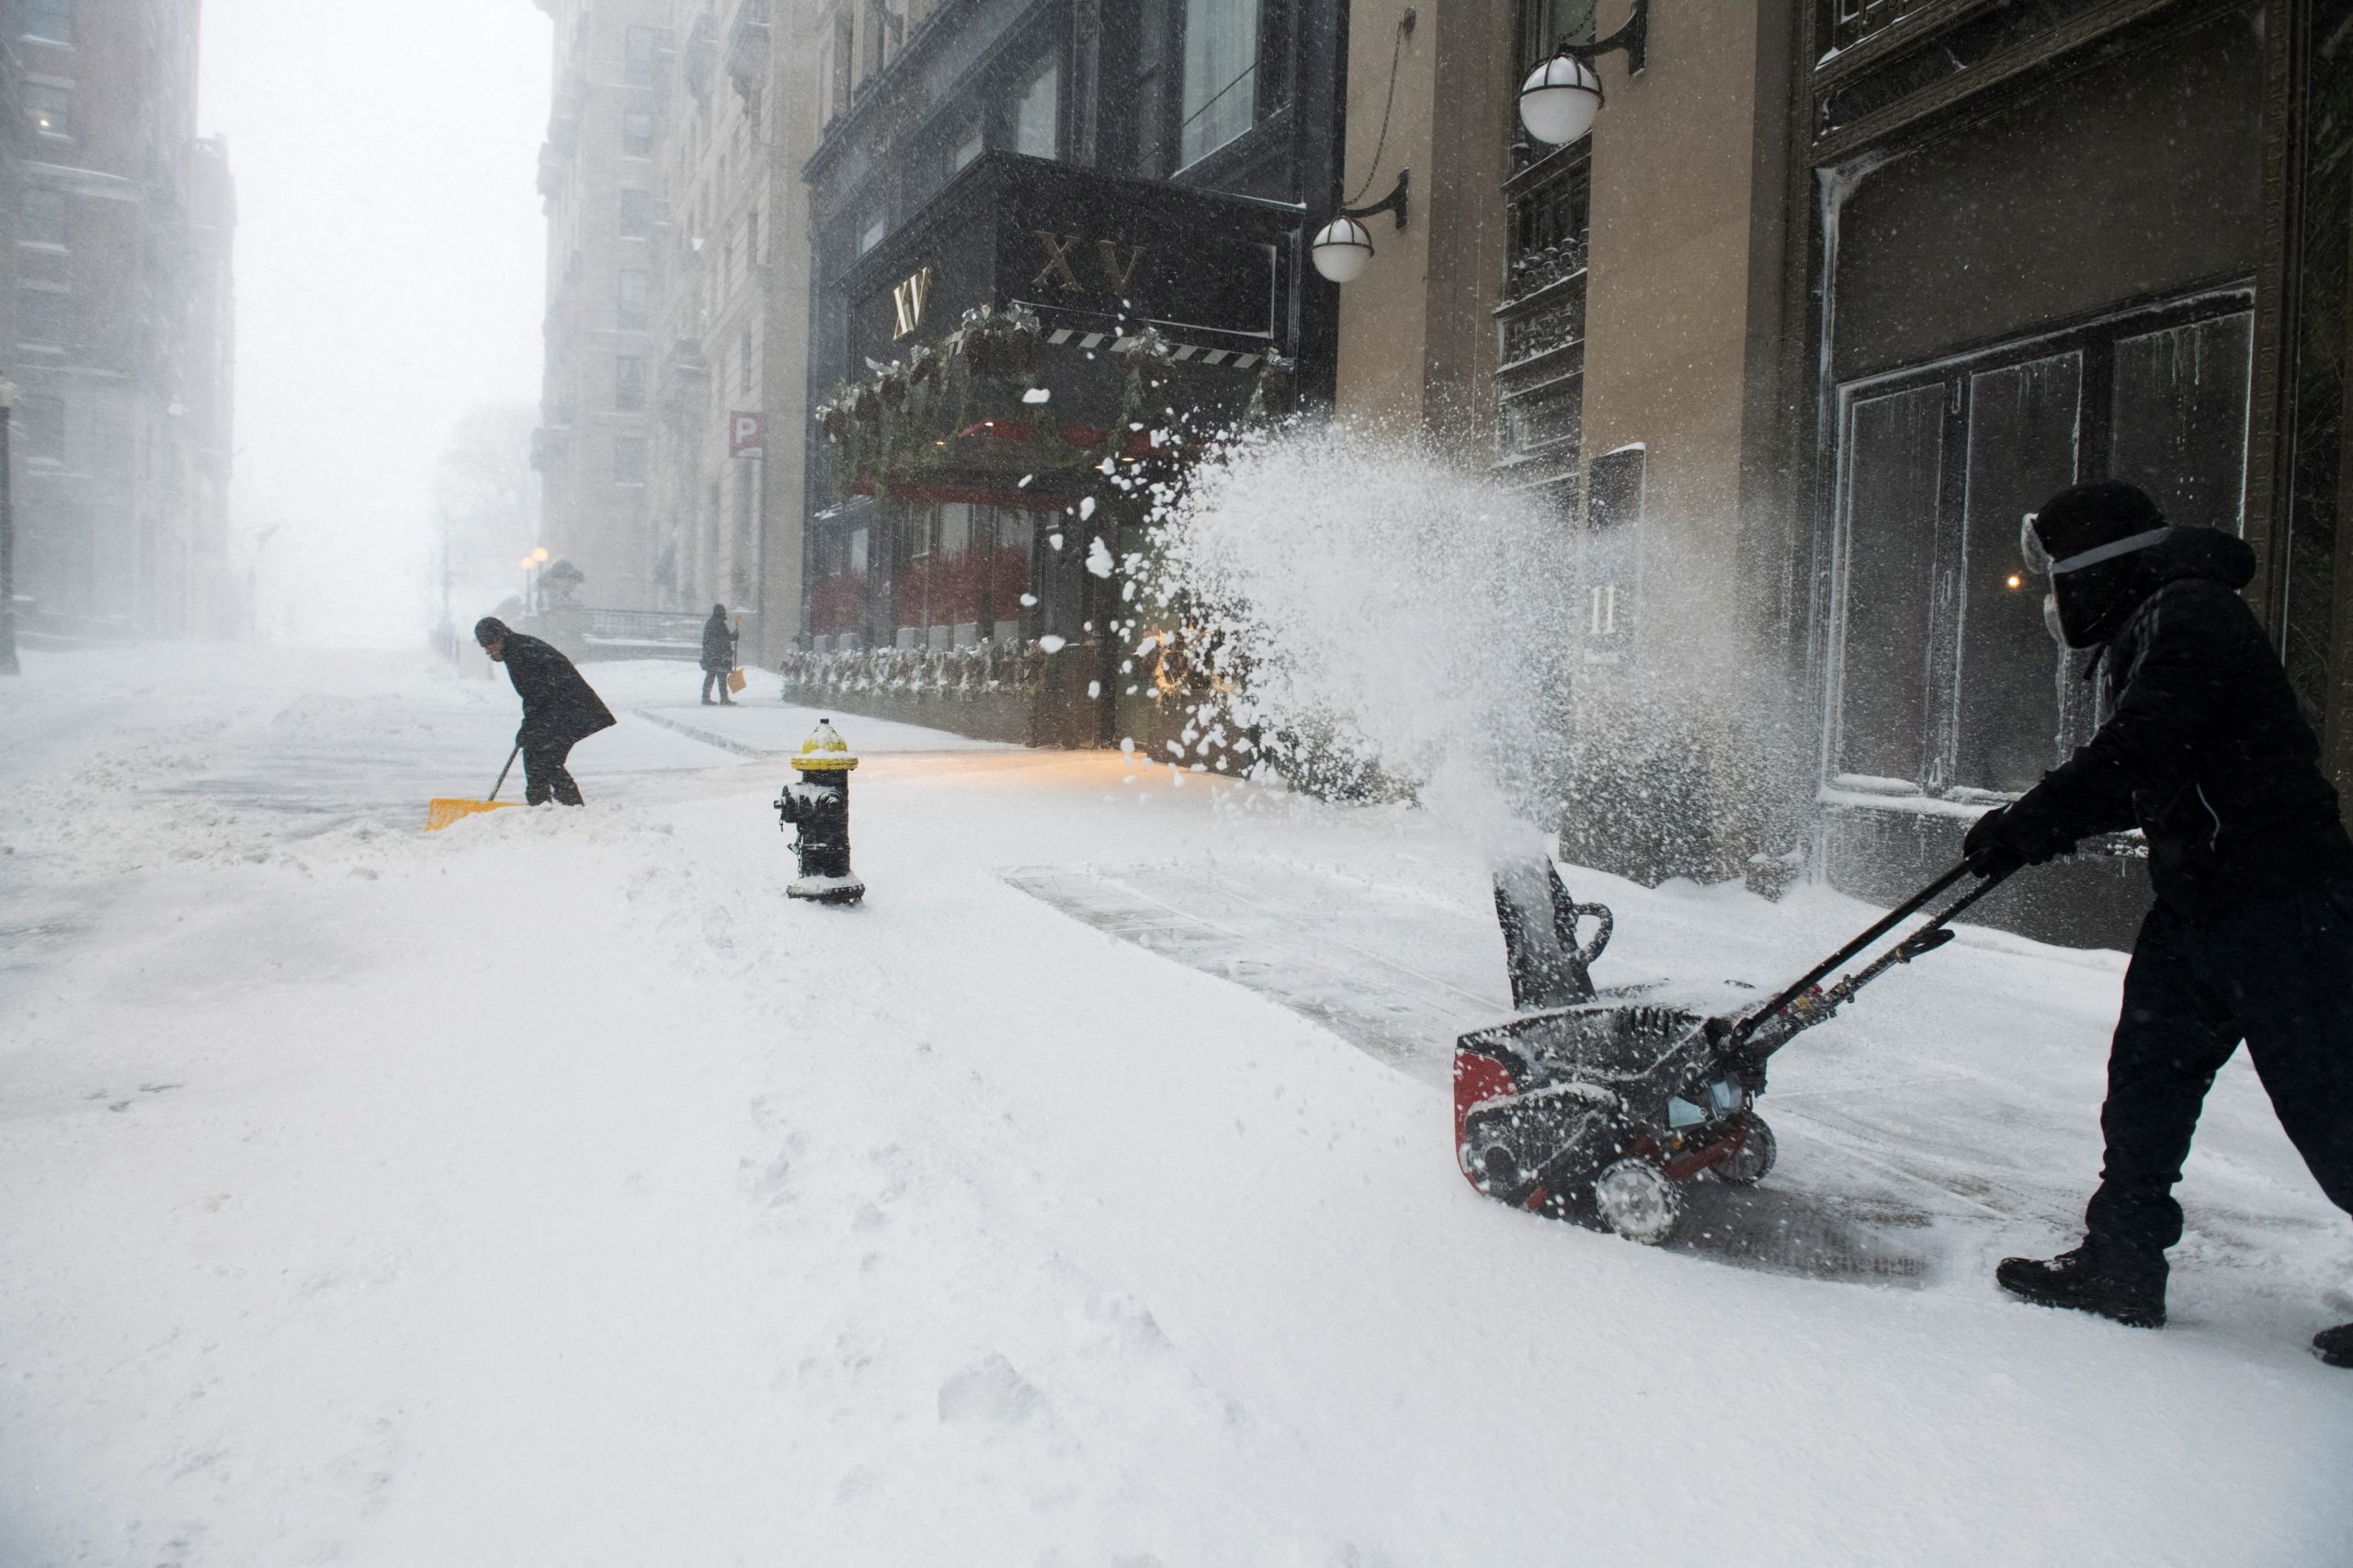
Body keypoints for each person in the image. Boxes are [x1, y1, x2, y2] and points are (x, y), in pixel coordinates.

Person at [1961, 479, 2353, 1368]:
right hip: (2203, 904)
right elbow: (2153, 769)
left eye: (2057, 578)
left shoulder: (2193, 615)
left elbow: (2144, 747)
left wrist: (2035, 820)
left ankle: (2124, 1259)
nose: (2054, 601)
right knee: (2147, 1084)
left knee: (2334, 1111)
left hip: (2287, 910)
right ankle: (2122, 1264)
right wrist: (2044, 824)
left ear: (2099, 570)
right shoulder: (2154, 621)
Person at [473, 616, 616, 807]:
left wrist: (528, 727)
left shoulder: (519, 652)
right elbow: (536, 694)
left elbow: (537, 693)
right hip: (566, 709)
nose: (488, 651)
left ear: (499, 638)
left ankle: (558, 805)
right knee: (541, 757)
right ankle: (549, 804)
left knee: (543, 757)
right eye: (485, 647)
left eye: (489, 644)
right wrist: (529, 727)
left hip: (571, 710)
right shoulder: (518, 647)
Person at [700, 603, 738, 706]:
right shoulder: (718, 624)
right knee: (720, 677)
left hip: (712, 655)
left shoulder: (712, 623)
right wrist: (733, 636)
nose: (724, 612)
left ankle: (706, 697)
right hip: (718, 656)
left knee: (711, 676)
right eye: (723, 611)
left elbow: (720, 639)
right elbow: (723, 639)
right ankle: (723, 698)